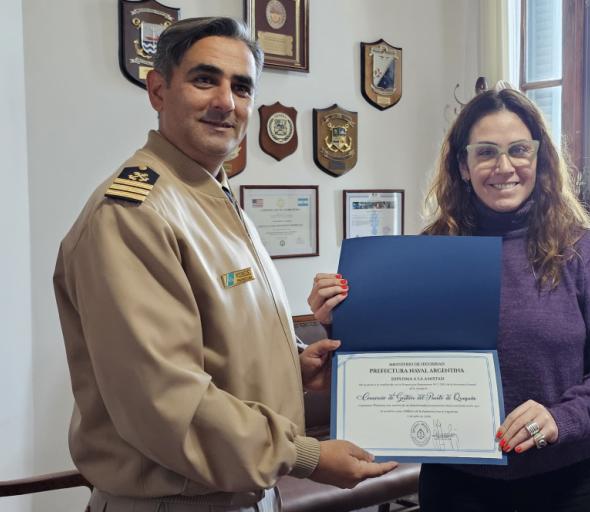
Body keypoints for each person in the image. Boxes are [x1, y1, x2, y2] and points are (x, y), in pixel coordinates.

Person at [53, 17, 396, 512]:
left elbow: (216, 347)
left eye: (241, 87)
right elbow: (163, 400)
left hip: (241, 490)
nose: (225, 102)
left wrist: (291, 370)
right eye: (203, 79)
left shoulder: (209, 197)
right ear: (157, 89)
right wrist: (305, 456)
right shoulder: (133, 214)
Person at [309, 87, 590, 511]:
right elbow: (394, 355)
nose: (504, 167)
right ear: (463, 166)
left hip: (566, 484)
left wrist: (563, 418)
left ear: (538, 161)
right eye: (486, 152)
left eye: (519, 150)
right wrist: (339, 318)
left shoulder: (585, 252)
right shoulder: (429, 252)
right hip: (456, 486)